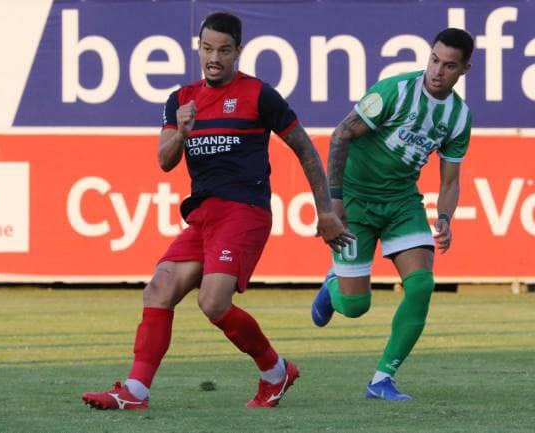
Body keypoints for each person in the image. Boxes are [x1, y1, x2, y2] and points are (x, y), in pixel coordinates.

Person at [82, 11, 353, 410]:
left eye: (224, 50)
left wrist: (326, 210)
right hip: (204, 216)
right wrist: (183, 131)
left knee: (212, 302)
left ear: (238, 51)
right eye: (208, 49)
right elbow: (164, 160)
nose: (214, 57)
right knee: (158, 288)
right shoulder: (181, 100)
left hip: (244, 211)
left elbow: (304, 148)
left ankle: (274, 372)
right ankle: (136, 392)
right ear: (199, 48)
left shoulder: (259, 95)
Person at [311, 28, 474, 400]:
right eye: (434, 60)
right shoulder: (394, 92)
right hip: (355, 199)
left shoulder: (459, 117)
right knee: (355, 307)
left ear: (465, 69)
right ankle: (333, 285)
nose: (437, 71)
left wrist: (445, 218)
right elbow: (340, 135)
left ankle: (381, 380)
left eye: (449, 66)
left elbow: (450, 182)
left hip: (402, 202)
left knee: (422, 285)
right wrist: (334, 201)